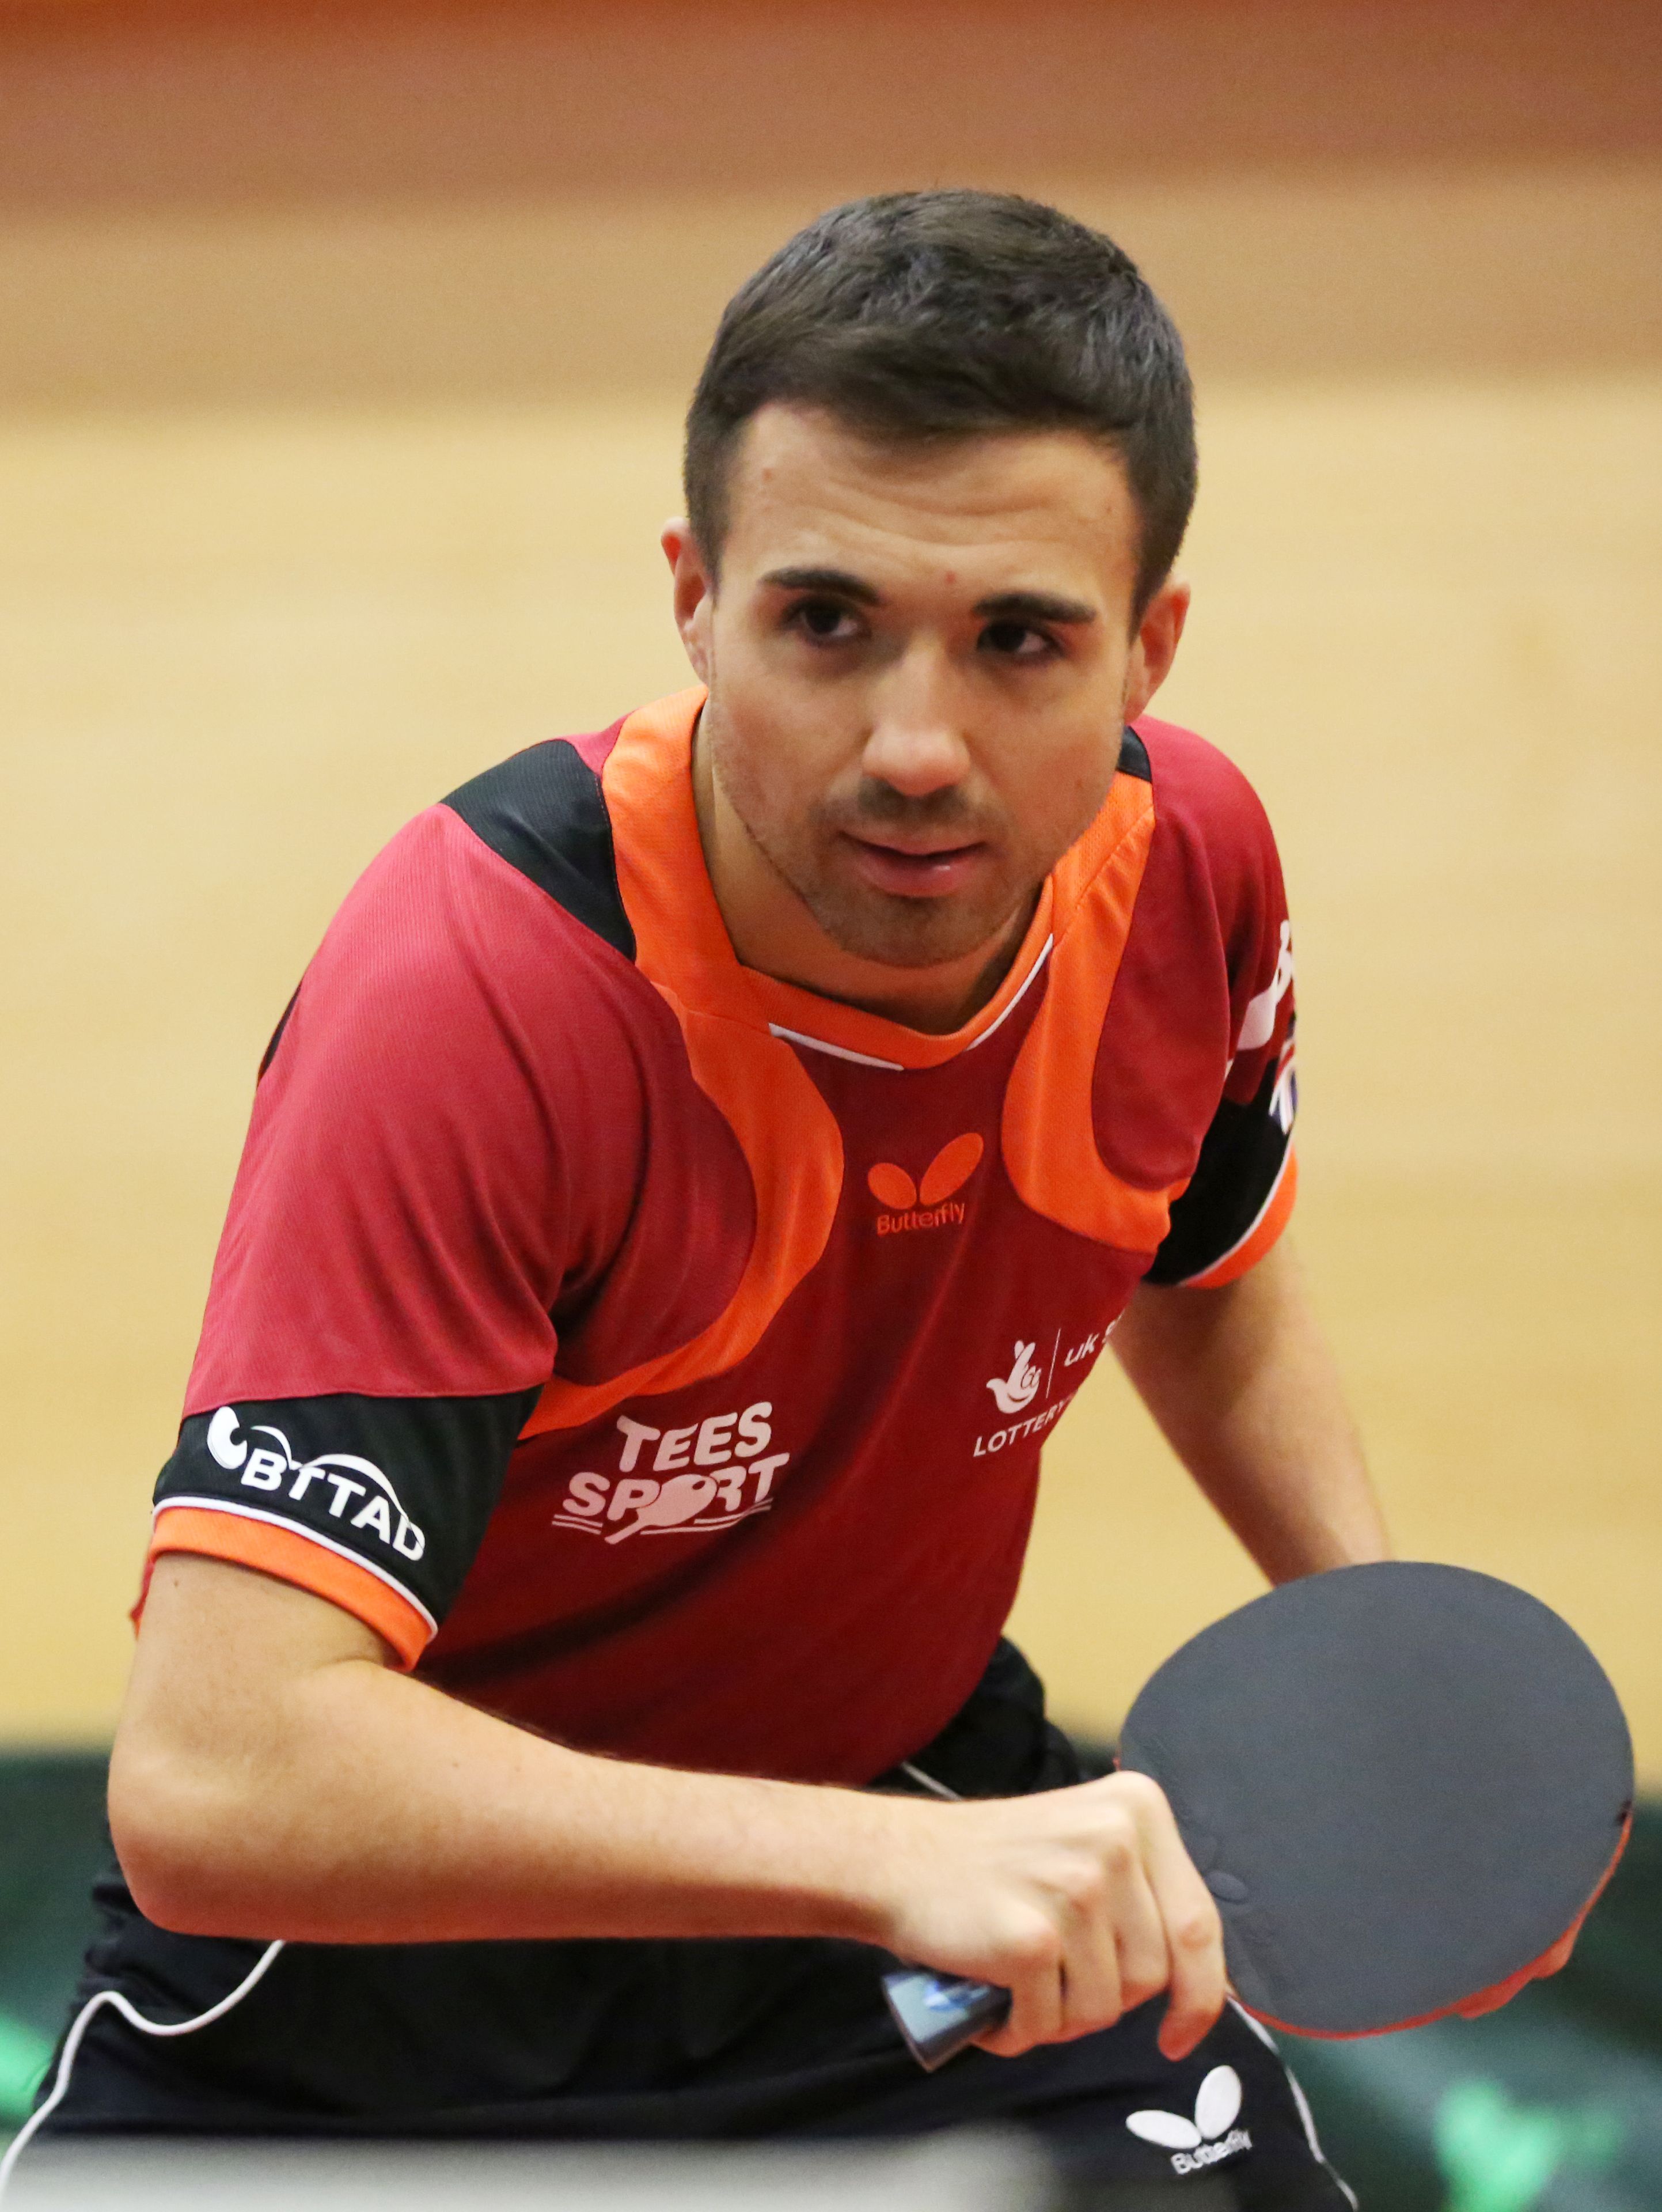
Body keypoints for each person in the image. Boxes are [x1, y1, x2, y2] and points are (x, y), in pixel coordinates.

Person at [31, 192, 1388, 2205]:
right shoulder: (485, 986)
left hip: (914, 1919)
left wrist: (1373, 1647)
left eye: (1019, 641)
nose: (914, 747)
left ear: (1148, 650)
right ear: (696, 598)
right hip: (379, 2003)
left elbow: (1203, 1260)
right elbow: (216, 1778)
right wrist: (886, 1866)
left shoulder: (1188, 865)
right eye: (826, 624)